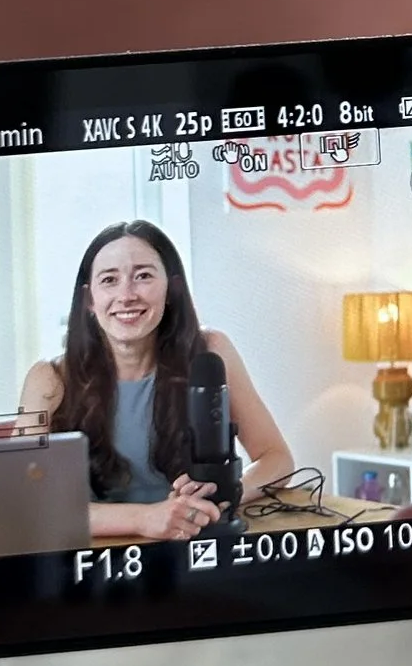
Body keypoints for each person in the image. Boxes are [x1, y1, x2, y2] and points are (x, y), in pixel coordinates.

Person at [17, 221, 293, 543]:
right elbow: (29, 504)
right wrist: (145, 518)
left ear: (171, 288)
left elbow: (277, 458)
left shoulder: (211, 352)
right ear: (89, 300)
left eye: (143, 276)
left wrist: (222, 494)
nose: (127, 295)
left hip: (191, 548)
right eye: (109, 280)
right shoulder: (48, 380)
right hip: (97, 563)